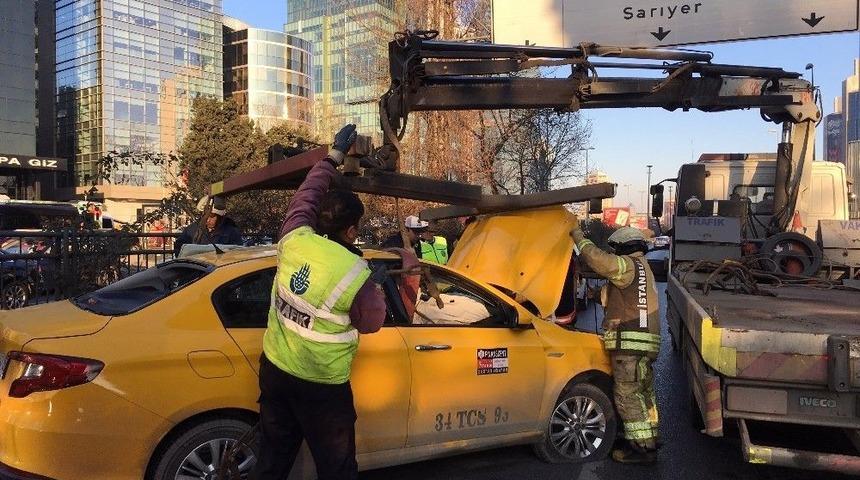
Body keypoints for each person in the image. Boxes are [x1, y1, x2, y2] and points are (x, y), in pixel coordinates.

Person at [251, 124, 417, 480]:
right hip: (322, 388)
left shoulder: (294, 238)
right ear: (352, 231)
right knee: (336, 469)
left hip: (276, 372)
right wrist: (375, 285)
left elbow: (306, 194)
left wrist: (333, 156)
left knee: (272, 460)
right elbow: (372, 322)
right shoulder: (353, 272)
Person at [570, 225, 661, 464]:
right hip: (644, 345)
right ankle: (649, 438)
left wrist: (577, 236)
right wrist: (592, 293)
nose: (614, 253)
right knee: (643, 395)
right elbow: (614, 296)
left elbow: (598, 260)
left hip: (630, 345)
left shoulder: (628, 265)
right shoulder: (642, 269)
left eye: (616, 250)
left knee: (627, 395)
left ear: (624, 247)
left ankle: (642, 449)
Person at [173, 196, 243, 255]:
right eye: (205, 216)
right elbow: (179, 248)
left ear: (220, 217)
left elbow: (237, 253)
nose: (208, 220)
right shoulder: (192, 229)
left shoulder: (231, 232)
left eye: (212, 217)